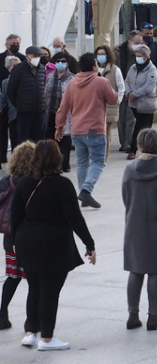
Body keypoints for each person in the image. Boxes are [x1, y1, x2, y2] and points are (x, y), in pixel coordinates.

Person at [11, 140, 96, 351]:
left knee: (34, 287)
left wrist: (15, 242)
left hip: (27, 241)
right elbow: (75, 218)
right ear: (57, 158)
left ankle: (31, 332)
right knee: (50, 290)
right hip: (53, 243)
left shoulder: (24, 183)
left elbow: (15, 217)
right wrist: (89, 244)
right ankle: (47, 338)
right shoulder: (62, 185)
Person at [121, 129, 157, 331]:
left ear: (139, 146)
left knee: (135, 270)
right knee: (156, 271)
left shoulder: (129, 170)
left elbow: (125, 197)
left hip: (134, 225)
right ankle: (154, 316)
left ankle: (132, 314)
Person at [52, 53, 117, 209]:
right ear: (94, 66)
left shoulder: (72, 83)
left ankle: (83, 195)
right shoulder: (101, 81)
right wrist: (102, 78)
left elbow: (63, 108)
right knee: (98, 162)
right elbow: (113, 99)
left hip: (77, 129)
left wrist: (59, 127)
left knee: (82, 163)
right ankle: (86, 190)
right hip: (95, 129)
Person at [0, 141, 35, 330]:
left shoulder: (7, 181)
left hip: (10, 237)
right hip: (29, 237)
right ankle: (31, 320)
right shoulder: (34, 182)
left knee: (13, 276)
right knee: (33, 280)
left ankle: (2, 313)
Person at [124, 45, 157, 160]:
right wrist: (128, 92)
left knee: (140, 127)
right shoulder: (133, 68)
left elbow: (149, 86)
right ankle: (145, 147)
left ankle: (134, 149)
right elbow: (127, 81)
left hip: (146, 104)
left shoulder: (152, 69)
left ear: (146, 56)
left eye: (140, 56)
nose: (138, 58)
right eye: (136, 56)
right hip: (134, 103)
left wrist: (135, 94)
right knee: (143, 126)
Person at [43, 51, 76, 173]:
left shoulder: (72, 78)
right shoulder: (51, 75)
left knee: (64, 138)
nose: (60, 64)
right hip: (51, 111)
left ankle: (64, 163)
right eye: (58, 61)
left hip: (65, 112)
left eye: (63, 61)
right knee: (51, 138)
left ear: (67, 63)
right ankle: (53, 164)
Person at [7, 46, 46, 144]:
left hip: (40, 110)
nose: (37, 58)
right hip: (24, 111)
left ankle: (38, 158)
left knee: (39, 139)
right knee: (25, 139)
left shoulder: (42, 69)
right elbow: (11, 90)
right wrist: (19, 105)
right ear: (27, 56)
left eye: (39, 55)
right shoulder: (19, 69)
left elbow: (43, 87)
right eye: (35, 55)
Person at [94, 46, 124, 162]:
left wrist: (118, 101)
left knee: (106, 132)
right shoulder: (94, 70)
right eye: (98, 54)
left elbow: (121, 87)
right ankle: (97, 155)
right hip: (95, 106)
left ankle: (104, 157)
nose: (101, 56)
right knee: (96, 133)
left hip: (109, 106)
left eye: (103, 54)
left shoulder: (114, 69)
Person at [0, 35, 25, 163]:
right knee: (2, 130)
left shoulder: (22, 59)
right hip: (2, 98)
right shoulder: (0, 58)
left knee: (16, 131)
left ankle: (17, 157)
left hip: (16, 102)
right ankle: (2, 156)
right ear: (6, 45)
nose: (16, 45)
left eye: (17, 43)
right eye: (13, 43)